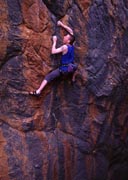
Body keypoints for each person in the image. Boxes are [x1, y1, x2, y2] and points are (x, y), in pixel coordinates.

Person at [29, 20, 76, 96]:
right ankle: (72, 77)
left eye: (66, 37)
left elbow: (53, 52)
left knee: (49, 76)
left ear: (68, 41)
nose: (64, 37)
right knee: (73, 67)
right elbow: (71, 31)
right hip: (72, 67)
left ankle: (38, 91)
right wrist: (62, 25)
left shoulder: (65, 47)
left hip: (64, 70)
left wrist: (54, 41)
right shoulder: (72, 44)